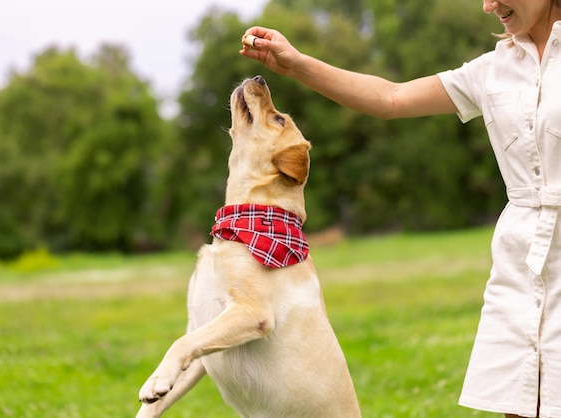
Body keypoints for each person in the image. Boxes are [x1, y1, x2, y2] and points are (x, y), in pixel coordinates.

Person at [240, 1, 561, 417]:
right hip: (518, 262)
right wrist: (298, 64)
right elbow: (390, 98)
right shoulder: (493, 70)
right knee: (516, 405)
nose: (488, 6)